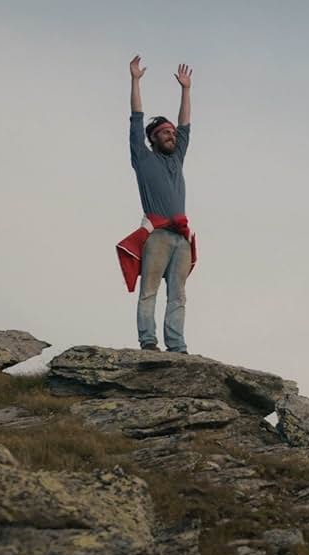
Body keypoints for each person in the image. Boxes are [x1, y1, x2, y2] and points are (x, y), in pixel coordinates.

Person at [116, 55, 198, 353]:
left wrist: (186, 90)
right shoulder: (143, 157)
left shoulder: (177, 158)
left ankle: (177, 346)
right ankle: (148, 342)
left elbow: (186, 123)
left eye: (173, 133)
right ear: (153, 138)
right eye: (165, 132)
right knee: (149, 291)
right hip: (158, 236)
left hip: (182, 238)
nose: (172, 134)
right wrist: (135, 81)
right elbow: (136, 118)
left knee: (178, 296)